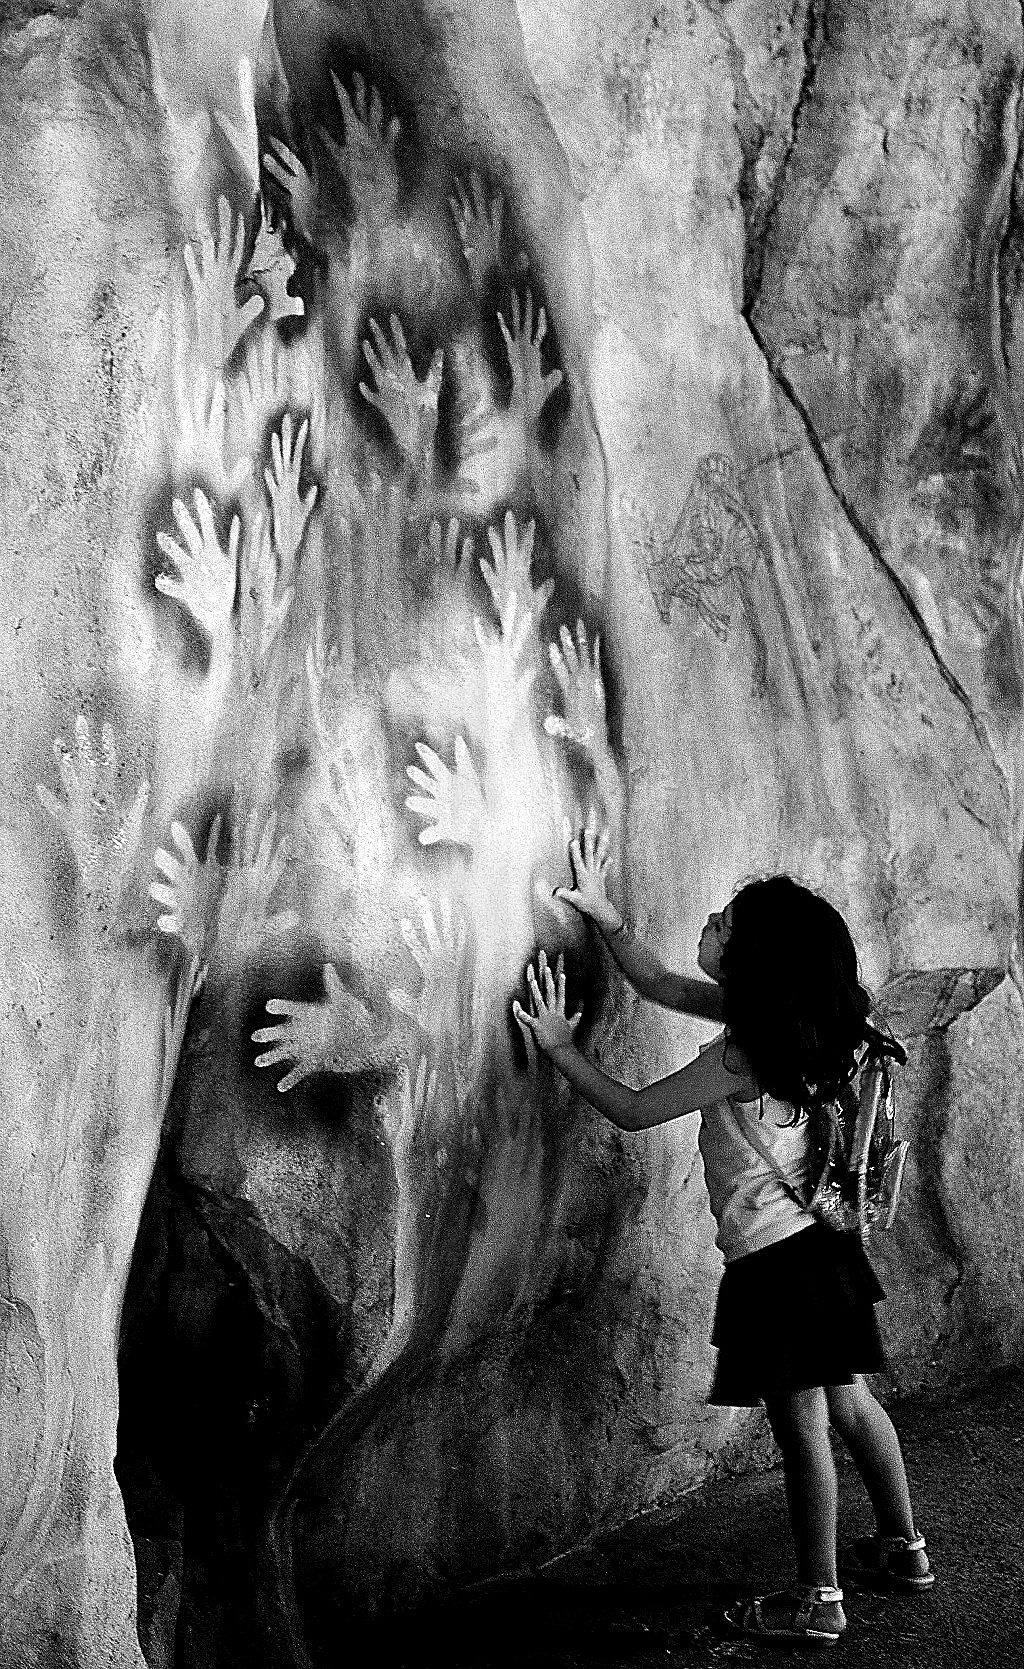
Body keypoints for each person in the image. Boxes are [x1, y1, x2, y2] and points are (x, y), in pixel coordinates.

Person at [513, 828, 934, 1647]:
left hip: (778, 1270)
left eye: (723, 925)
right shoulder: (802, 1023)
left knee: (803, 1424)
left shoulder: (744, 1054)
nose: (707, 921)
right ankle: (905, 1547)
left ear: (751, 966)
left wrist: (562, 1050)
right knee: (851, 1403)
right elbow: (662, 981)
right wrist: (607, 916)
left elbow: (634, 1109)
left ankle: (820, 1598)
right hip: (829, 1249)